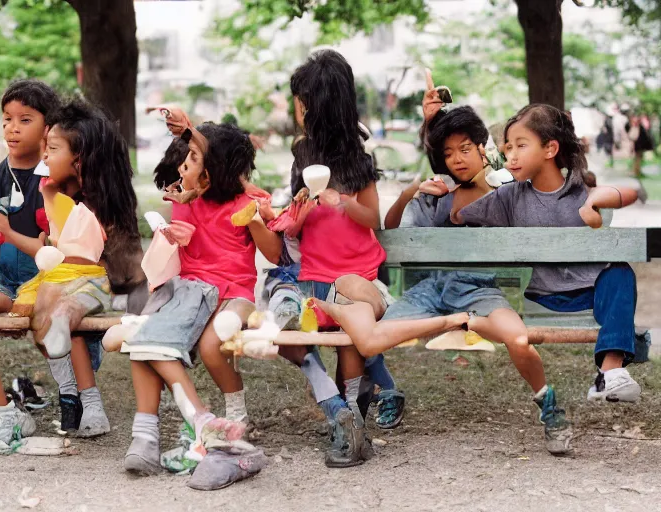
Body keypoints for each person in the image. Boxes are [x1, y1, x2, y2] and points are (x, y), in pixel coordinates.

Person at [360, 99, 574, 455]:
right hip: (431, 291)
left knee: (518, 339)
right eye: (448, 153)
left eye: (464, 149)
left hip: (478, 290)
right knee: (367, 339)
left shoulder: (506, 189)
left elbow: (540, 187)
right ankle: (385, 393)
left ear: (482, 148)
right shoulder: (438, 196)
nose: (457, 159)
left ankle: (549, 407)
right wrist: (410, 193)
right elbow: (394, 231)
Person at [0, 80, 108, 453]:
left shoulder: (58, 180)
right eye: (7, 119)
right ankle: (1, 410)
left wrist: (10, 230)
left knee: (58, 314)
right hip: (6, 283)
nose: (12, 128)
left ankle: (87, 399)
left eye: (25, 120)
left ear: (48, 129)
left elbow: (62, 244)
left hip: (54, 282)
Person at [120, 121, 280, 490]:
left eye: (192, 159)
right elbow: (183, 253)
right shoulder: (185, 202)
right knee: (146, 344)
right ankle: (147, 436)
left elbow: (272, 253)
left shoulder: (247, 202)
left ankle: (234, 413)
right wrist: (174, 235)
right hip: (191, 293)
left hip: (235, 293)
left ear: (212, 172)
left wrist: (256, 221)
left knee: (211, 346)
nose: (182, 166)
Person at [456, 103, 641, 403]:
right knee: (620, 271)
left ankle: (610, 374)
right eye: (508, 148)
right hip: (544, 297)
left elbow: (632, 191)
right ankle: (609, 376)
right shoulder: (508, 197)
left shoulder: (581, 188)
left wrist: (595, 200)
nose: (510, 156)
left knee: (620, 272)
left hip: (592, 294)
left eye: (520, 146)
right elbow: (459, 216)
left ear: (550, 149)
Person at [0, 99, 146, 449]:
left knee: (62, 311)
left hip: (93, 286)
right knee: (46, 307)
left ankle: (87, 402)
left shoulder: (101, 203)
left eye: (52, 149)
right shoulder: (53, 193)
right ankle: (72, 398)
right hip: (56, 282)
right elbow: (51, 248)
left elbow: (123, 271)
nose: (44, 157)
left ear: (79, 160)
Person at [279, 49, 389, 468]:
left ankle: (350, 417)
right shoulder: (303, 154)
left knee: (348, 338)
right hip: (314, 271)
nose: (296, 107)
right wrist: (297, 213)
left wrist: (342, 201)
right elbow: (295, 217)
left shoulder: (359, 158)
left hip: (355, 271)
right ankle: (343, 409)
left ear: (315, 105)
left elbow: (372, 217)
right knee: (286, 335)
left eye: (300, 99)